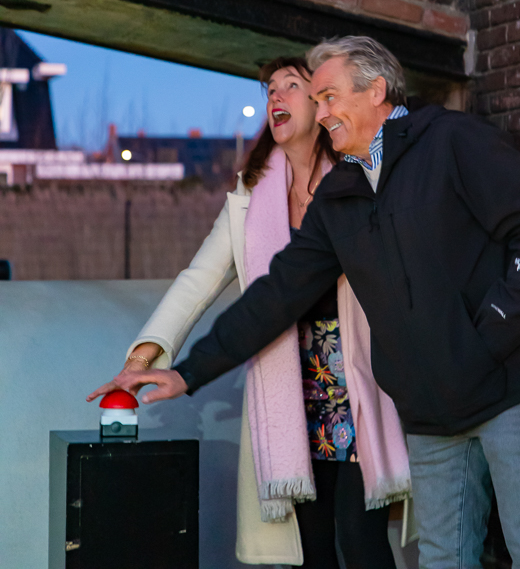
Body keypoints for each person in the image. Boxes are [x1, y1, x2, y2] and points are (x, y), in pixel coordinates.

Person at [119, 36, 520, 569]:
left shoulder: (454, 141)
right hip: (433, 411)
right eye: (317, 101)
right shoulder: (339, 196)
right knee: (442, 560)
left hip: (514, 388)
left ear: (376, 91)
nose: (322, 112)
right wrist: (189, 372)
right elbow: (276, 294)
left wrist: (488, 336)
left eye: (329, 97)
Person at [88, 55, 411, 569]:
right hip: (290, 392)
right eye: (269, 90)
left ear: (321, 101)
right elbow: (198, 281)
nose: (275, 96)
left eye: (292, 85)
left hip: (358, 384)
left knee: (362, 539)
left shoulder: (358, 180)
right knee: (314, 550)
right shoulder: (249, 198)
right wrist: (146, 357)